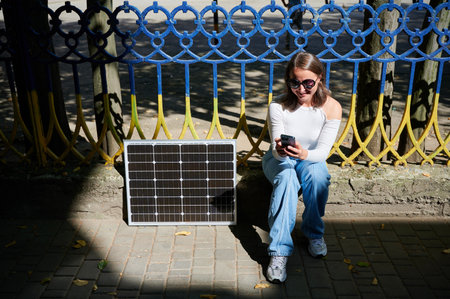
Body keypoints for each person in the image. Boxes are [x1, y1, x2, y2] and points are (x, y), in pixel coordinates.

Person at [262, 52, 342, 283]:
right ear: (288, 81)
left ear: (319, 78)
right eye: (294, 82)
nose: (301, 89)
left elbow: (323, 152)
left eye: (308, 83)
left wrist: (304, 154)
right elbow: (276, 149)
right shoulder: (278, 105)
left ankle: (314, 233)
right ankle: (279, 252)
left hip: (311, 157)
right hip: (279, 160)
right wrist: (280, 150)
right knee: (287, 178)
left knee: (318, 177)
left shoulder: (332, 107)